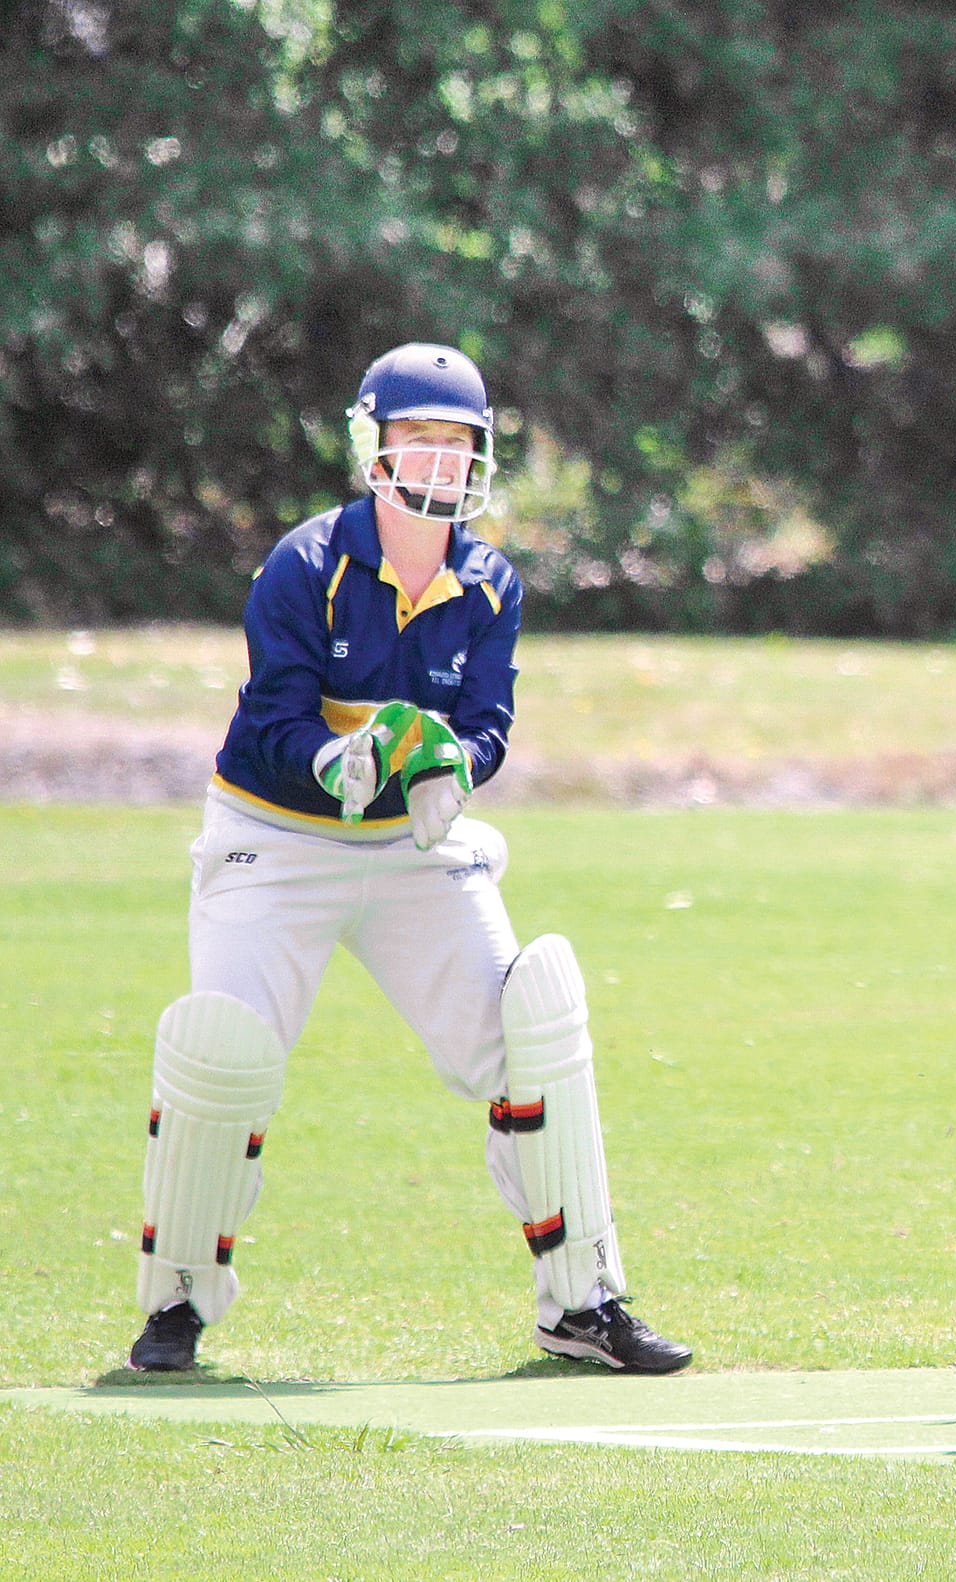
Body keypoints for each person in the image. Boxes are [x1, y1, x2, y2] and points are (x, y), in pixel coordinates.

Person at [127, 343, 690, 1377]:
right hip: (276, 836)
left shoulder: (488, 582)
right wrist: (335, 758)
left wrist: (451, 773)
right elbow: (273, 719)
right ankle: (176, 1308)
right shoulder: (305, 565)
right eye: (416, 438)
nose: (436, 460)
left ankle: (583, 1303)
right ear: (372, 445)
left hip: (408, 847)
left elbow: (488, 724)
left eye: (455, 441)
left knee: (534, 1026)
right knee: (225, 1052)